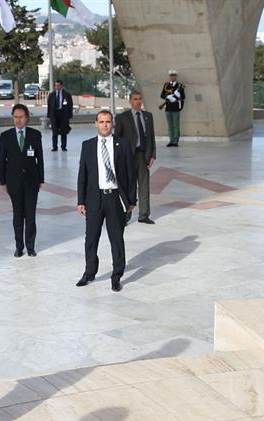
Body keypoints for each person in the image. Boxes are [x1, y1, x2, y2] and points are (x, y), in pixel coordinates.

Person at [76, 109, 137, 292]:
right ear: (96, 123)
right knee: (91, 239)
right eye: (101, 121)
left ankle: (116, 276)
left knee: (116, 238)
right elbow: (82, 175)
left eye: (108, 122)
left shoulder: (123, 144)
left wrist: (131, 200)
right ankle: (89, 273)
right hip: (94, 199)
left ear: (112, 124)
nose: (104, 125)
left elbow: (131, 174)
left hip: (115, 198)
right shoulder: (87, 145)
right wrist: (81, 200)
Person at [0, 104, 45, 258]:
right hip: (13, 182)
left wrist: (41, 179)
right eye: (15, 117)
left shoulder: (35, 135)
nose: (18, 120)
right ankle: (19, 246)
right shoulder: (5, 136)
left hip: (32, 181)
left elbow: (40, 159)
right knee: (17, 215)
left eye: (21, 117)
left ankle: (30, 247)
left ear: (27, 118)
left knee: (30, 215)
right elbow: (1, 160)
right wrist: (3, 182)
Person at [113, 90, 156, 224]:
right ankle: (125, 215)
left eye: (140, 99)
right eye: (135, 99)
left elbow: (151, 137)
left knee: (144, 186)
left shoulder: (148, 116)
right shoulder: (122, 118)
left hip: (143, 155)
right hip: (128, 156)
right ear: (130, 101)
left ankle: (144, 215)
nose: (138, 101)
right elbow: (117, 139)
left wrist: (152, 154)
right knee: (128, 186)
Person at [159, 70, 186, 147]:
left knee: (176, 125)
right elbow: (162, 95)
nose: (172, 77)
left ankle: (175, 141)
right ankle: (171, 141)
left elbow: (183, 97)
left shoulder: (180, 86)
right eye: (171, 75)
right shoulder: (166, 85)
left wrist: (176, 98)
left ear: (176, 76)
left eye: (173, 75)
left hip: (176, 108)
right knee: (170, 126)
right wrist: (167, 96)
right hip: (168, 108)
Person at [46, 80, 73, 152]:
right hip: (54, 115)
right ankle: (54, 146)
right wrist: (49, 116)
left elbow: (70, 105)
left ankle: (63, 146)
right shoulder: (51, 95)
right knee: (54, 132)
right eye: (55, 86)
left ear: (61, 86)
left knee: (63, 132)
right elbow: (49, 106)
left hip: (63, 115)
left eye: (58, 86)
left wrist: (69, 116)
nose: (57, 87)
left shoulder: (67, 95)